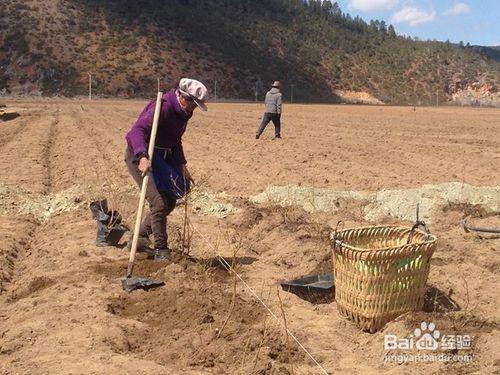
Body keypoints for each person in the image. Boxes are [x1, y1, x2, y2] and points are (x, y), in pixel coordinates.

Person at [124, 78, 208, 261]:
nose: (194, 109)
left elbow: (175, 140)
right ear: (184, 98)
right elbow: (135, 132)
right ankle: (161, 250)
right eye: (194, 104)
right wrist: (142, 156)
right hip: (140, 156)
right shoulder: (162, 107)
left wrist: (182, 165)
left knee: (169, 201)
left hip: (161, 158)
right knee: (158, 203)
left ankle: (140, 237)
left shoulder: (183, 114)